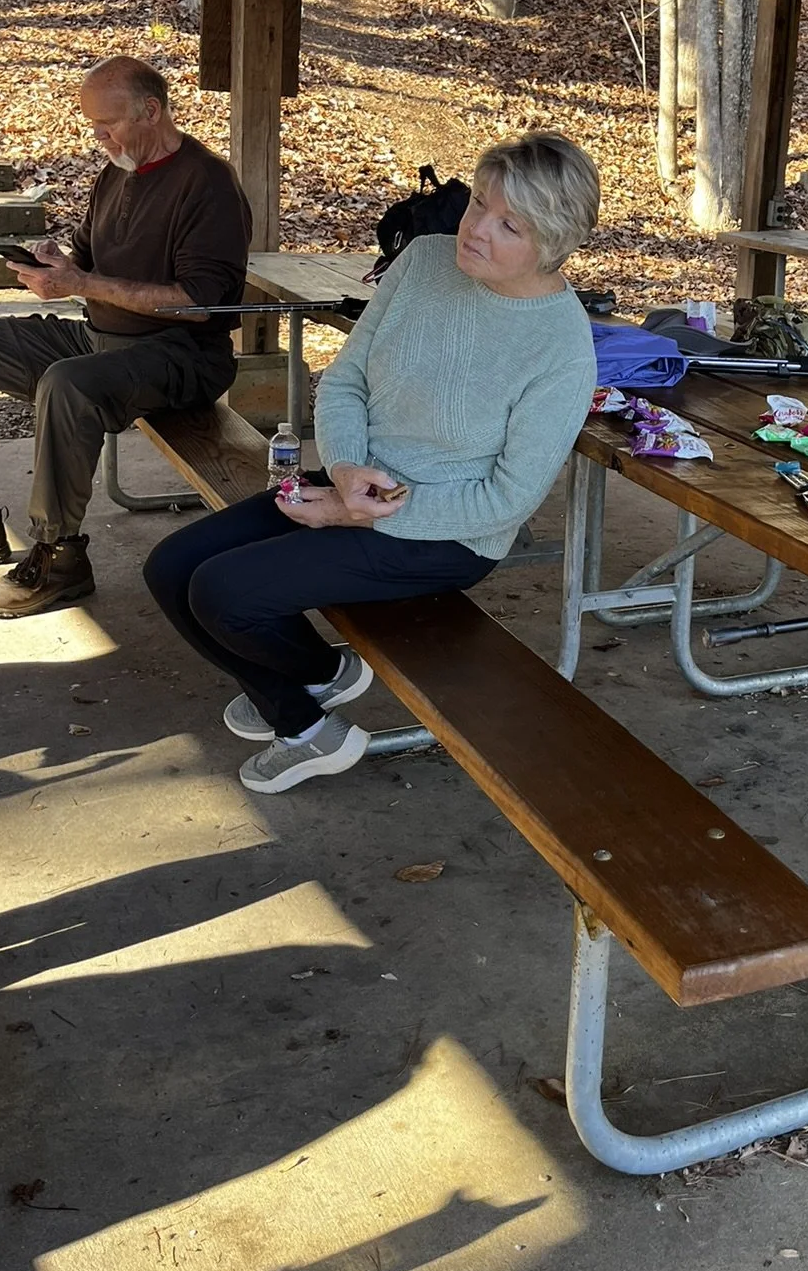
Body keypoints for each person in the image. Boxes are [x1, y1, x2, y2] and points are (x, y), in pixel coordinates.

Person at [142, 131, 600, 796]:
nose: (476, 229)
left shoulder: (560, 348)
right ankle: (311, 680)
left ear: (554, 243)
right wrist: (348, 471)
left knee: (224, 594)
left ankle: (302, 721)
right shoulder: (423, 261)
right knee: (171, 567)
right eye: (478, 204)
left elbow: (506, 500)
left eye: (509, 225)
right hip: (355, 480)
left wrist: (359, 512)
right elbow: (348, 379)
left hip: (446, 532)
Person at [0, 56, 252, 618]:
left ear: (151, 110)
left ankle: (59, 556)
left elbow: (200, 303)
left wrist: (84, 281)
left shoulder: (207, 183)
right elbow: (88, 264)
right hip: (99, 336)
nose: (98, 137)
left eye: (107, 123)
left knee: (68, 384)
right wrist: (55, 266)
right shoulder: (115, 170)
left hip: (180, 355)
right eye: (91, 124)